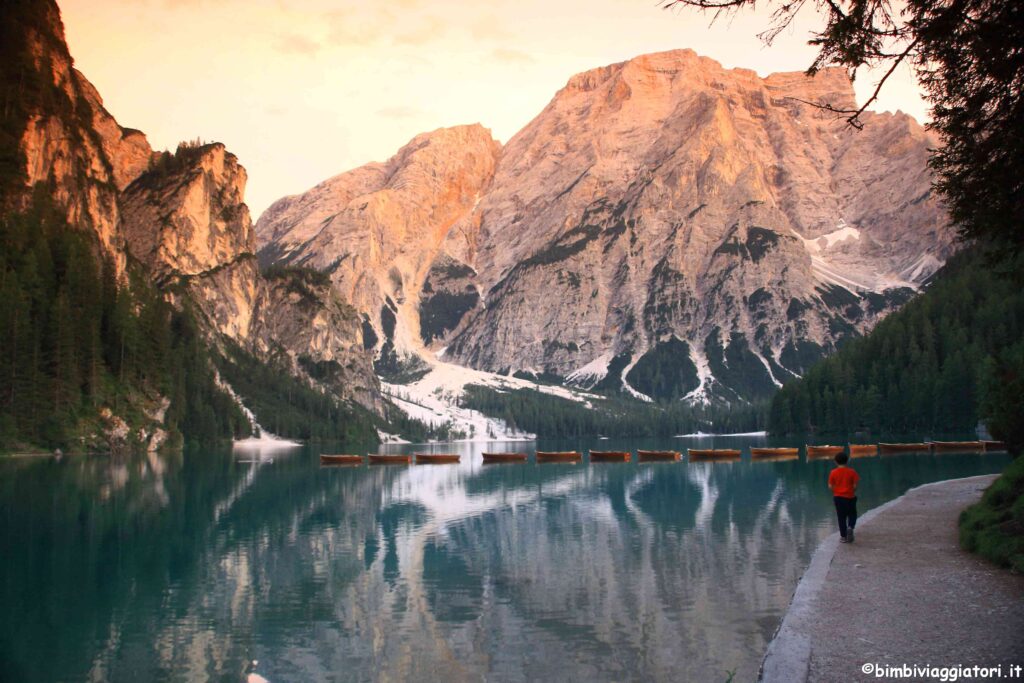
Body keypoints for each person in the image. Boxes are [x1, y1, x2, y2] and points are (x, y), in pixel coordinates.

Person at [828, 452, 860, 543]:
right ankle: (850, 526)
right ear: (847, 461)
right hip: (850, 497)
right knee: (852, 514)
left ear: (835, 462)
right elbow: (855, 485)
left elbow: (830, 486)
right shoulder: (852, 472)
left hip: (838, 498)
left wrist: (836, 491)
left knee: (841, 517)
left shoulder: (833, 472)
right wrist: (852, 490)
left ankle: (843, 537)